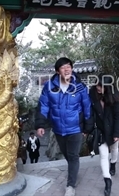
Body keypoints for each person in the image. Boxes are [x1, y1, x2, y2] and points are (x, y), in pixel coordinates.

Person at [35, 57, 92, 196]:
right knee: (68, 155)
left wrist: (87, 127)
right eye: (63, 67)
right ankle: (74, 171)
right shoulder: (49, 86)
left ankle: (70, 186)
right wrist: (40, 125)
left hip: (75, 128)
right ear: (57, 71)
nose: (67, 70)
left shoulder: (80, 87)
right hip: (58, 129)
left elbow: (87, 107)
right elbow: (43, 106)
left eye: (69, 67)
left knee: (73, 156)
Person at [89, 73, 119, 196]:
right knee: (103, 156)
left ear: (108, 87)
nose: (98, 87)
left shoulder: (114, 97)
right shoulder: (92, 94)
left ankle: (113, 164)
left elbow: (118, 116)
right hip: (100, 130)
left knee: (114, 149)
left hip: (113, 129)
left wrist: (117, 133)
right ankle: (107, 181)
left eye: (101, 86)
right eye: (97, 84)